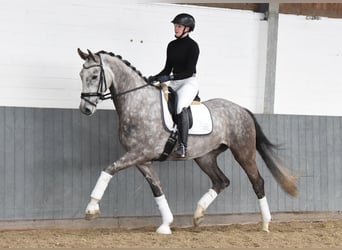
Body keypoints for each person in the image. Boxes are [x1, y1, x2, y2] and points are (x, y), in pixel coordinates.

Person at [148, 13, 200, 158]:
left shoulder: (193, 46)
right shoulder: (171, 45)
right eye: (175, 26)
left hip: (188, 81)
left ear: (187, 29)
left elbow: (189, 71)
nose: (176, 28)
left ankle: (183, 145)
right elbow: (167, 68)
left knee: (179, 106)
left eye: (179, 26)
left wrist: (170, 77)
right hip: (175, 81)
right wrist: (156, 77)